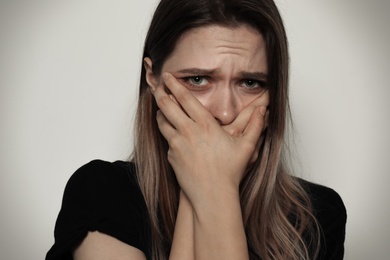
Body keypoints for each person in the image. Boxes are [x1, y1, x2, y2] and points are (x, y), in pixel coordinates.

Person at [46, 0, 347, 259]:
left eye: (250, 82)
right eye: (198, 80)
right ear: (152, 77)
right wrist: (207, 180)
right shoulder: (100, 194)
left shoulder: (318, 216)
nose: (226, 112)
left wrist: (211, 185)